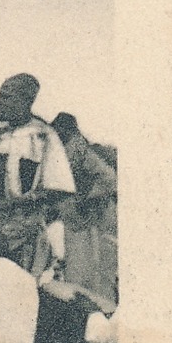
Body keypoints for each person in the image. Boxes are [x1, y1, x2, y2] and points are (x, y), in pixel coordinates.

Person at [0, 74, 76, 270]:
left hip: (23, 230)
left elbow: (58, 187)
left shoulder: (43, 136)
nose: (0, 103)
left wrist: (21, 203)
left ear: (26, 100)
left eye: (7, 97)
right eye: (0, 96)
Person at [49, 112, 118, 308]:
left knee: (97, 268)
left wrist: (84, 199)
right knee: (82, 269)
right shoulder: (66, 150)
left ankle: (99, 312)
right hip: (78, 219)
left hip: (95, 218)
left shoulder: (81, 151)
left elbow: (109, 180)